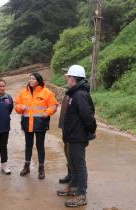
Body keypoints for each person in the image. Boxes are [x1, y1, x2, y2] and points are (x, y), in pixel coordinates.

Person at [62, 65, 97, 207]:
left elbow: (87, 116)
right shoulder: (74, 93)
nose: (67, 79)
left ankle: (81, 195)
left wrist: (90, 131)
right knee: (74, 163)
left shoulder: (80, 94)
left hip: (78, 136)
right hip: (73, 135)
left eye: (69, 77)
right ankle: (75, 187)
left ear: (74, 78)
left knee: (79, 165)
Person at [15, 73, 58, 179]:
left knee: (40, 146)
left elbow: (54, 105)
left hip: (40, 124)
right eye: (29, 78)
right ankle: (26, 166)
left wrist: (47, 112)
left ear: (38, 80)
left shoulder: (47, 92)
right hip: (27, 123)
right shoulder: (23, 92)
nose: (30, 80)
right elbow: (16, 105)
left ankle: (41, 169)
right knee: (28, 145)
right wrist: (21, 107)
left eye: (33, 79)